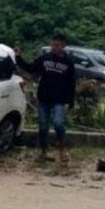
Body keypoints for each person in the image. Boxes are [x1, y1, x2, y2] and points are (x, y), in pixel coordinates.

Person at [14, 33, 76, 163]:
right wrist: (19, 57)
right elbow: (30, 68)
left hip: (59, 99)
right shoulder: (44, 58)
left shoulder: (68, 62)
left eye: (57, 45)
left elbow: (72, 83)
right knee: (43, 126)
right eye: (52, 44)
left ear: (63, 46)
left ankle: (62, 150)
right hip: (44, 98)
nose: (54, 47)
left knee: (58, 123)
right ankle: (43, 152)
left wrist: (70, 102)